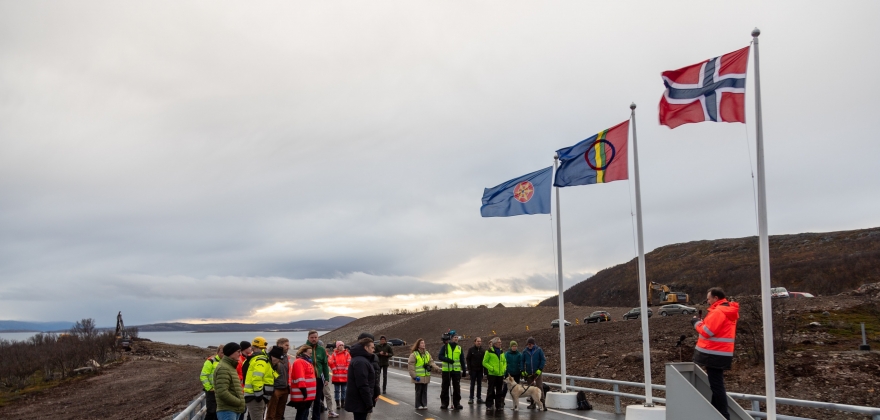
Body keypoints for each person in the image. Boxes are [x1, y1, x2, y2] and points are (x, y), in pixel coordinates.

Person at [692, 287, 740, 420]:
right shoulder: (727, 310)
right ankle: (716, 412)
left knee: (717, 385)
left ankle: (723, 415)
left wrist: (696, 323)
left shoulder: (718, 311)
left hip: (713, 353)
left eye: (708, 298)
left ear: (715, 298)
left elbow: (707, 332)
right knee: (716, 384)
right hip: (722, 353)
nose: (707, 301)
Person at [345, 337, 377, 420]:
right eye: (372, 347)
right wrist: (368, 402)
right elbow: (362, 384)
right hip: (360, 400)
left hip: (359, 400)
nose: (374, 350)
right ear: (366, 348)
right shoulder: (361, 362)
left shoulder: (361, 360)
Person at [244, 336, 275, 419]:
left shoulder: (255, 359)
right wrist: (259, 396)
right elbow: (257, 378)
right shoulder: (261, 360)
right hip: (256, 397)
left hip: (256, 396)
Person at [407, 338, 442, 410]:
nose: (423, 344)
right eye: (422, 343)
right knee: (419, 391)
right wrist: (414, 376)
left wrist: (437, 368)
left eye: (424, 343)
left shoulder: (427, 353)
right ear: (418, 345)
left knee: (424, 391)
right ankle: (418, 404)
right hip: (418, 376)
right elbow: (411, 366)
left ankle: (424, 404)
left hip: (426, 376)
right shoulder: (414, 354)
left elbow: (431, 362)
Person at [215, 342, 246, 420]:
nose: (240, 354)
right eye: (238, 351)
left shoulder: (230, 366)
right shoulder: (223, 368)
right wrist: (239, 402)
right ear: (231, 352)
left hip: (233, 409)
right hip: (228, 410)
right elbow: (222, 392)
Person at [438, 330, 467, 410]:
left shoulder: (459, 348)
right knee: (445, 387)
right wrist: (447, 360)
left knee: (457, 388)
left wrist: (464, 370)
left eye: (457, 337)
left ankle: (457, 403)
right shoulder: (445, 346)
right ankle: (444, 403)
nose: (456, 339)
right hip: (447, 371)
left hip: (456, 371)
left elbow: (462, 360)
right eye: (455, 337)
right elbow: (440, 356)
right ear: (451, 338)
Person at [304, 331, 330, 420]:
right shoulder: (304, 349)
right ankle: (304, 417)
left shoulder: (321, 350)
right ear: (308, 338)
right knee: (306, 400)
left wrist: (327, 378)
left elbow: (325, 365)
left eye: (315, 337)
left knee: (317, 400)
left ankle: (316, 418)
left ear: (318, 338)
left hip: (318, 379)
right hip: (307, 380)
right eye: (312, 337)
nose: (314, 339)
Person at [288, 345, 318, 420]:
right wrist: (304, 391)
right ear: (304, 352)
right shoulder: (299, 362)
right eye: (309, 353)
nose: (311, 355)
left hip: (307, 394)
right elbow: (300, 378)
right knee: (302, 414)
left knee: (305, 413)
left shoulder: (306, 362)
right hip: (302, 394)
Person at [266, 340, 290, 420]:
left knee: (280, 413)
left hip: (284, 387)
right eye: (286, 345)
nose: (288, 347)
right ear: (280, 345)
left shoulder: (285, 357)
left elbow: (286, 372)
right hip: (275, 389)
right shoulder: (273, 355)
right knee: (271, 413)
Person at [200, 344, 225, 420]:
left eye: (225, 353)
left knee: (219, 412)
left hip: (222, 391)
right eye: (222, 352)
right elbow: (203, 375)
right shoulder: (210, 361)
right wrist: (209, 388)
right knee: (211, 412)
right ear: (217, 352)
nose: (223, 354)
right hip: (212, 392)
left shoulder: (226, 362)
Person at [521, 337, 546, 409]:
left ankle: (543, 404)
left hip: (537, 372)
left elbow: (543, 360)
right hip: (529, 373)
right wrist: (522, 371)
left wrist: (540, 369)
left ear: (533, 344)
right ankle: (532, 403)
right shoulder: (525, 351)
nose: (529, 345)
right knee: (530, 389)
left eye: (530, 344)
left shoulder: (539, 350)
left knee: (539, 387)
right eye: (528, 344)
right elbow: (522, 361)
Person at [328, 341, 351, 415]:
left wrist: (346, 370)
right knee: (337, 390)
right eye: (340, 345)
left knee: (344, 390)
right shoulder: (334, 354)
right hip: (336, 376)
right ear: (337, 346)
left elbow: (349, 362)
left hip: (344, 376)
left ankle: (343, 403)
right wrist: (334, 370)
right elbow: (331, 362)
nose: (341, 346)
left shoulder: (347, 354)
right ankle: (337, 403)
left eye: (342, 345)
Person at [465, 337, 485, 404]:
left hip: (480, 370)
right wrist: (469, 369)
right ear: (475, 342)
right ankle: (471, 398)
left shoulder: (482, 350)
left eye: (480, 341)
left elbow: (484, 361)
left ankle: (479, 398)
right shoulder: (471, 350)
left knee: (479, 384)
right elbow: (468, 359)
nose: (479, 342)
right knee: (472, 384)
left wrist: (484, 370)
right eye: (478, 341)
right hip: (473, 370)